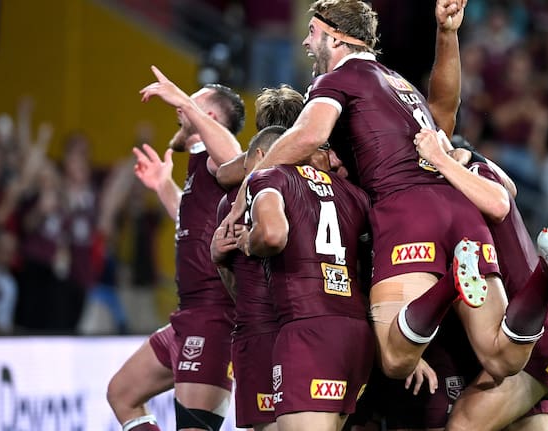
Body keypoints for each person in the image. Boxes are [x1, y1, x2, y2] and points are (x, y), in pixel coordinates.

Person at [223, 0, 548, 386]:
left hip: (407, 214)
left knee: (395, 356)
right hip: (459, 209)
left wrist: (248, 190)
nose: (305, 42)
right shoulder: (398, 85)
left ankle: (453, 283)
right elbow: (445, 110)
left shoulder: (337, 79)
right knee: (502, 358)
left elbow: (309, 135)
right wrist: (448, 35)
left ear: (335, 38)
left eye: (312, 33)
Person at [414, 130, 548, 430]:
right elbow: (510, 189)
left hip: (527, 338)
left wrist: (440, 158)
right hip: (546, 333)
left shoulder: (465, 185)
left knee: (462, 425)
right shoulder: (484, 173)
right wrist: (473, 156)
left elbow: (500, 202)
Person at [106, 66, 243, 431]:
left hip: (215, 319)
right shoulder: (200, 168)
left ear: (209, 117)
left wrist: (184, 99)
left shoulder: (219, 159)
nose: (179, 111)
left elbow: (235, 157)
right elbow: (192, 220)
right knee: (122, 393)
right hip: (187, 318)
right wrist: (163, 185)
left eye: (190, 106)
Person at [237, 129, 374, 431]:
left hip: (308, 332)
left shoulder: (271, 177)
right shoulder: (355, 194)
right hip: (357, 336)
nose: (333, 157)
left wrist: (249, 241)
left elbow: (273, 235)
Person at [211, 86, 306, 431]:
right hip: (319, 334)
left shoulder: (233, 204)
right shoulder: (331, 191)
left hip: (261, 336)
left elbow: (240, 292)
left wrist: (222, 258)